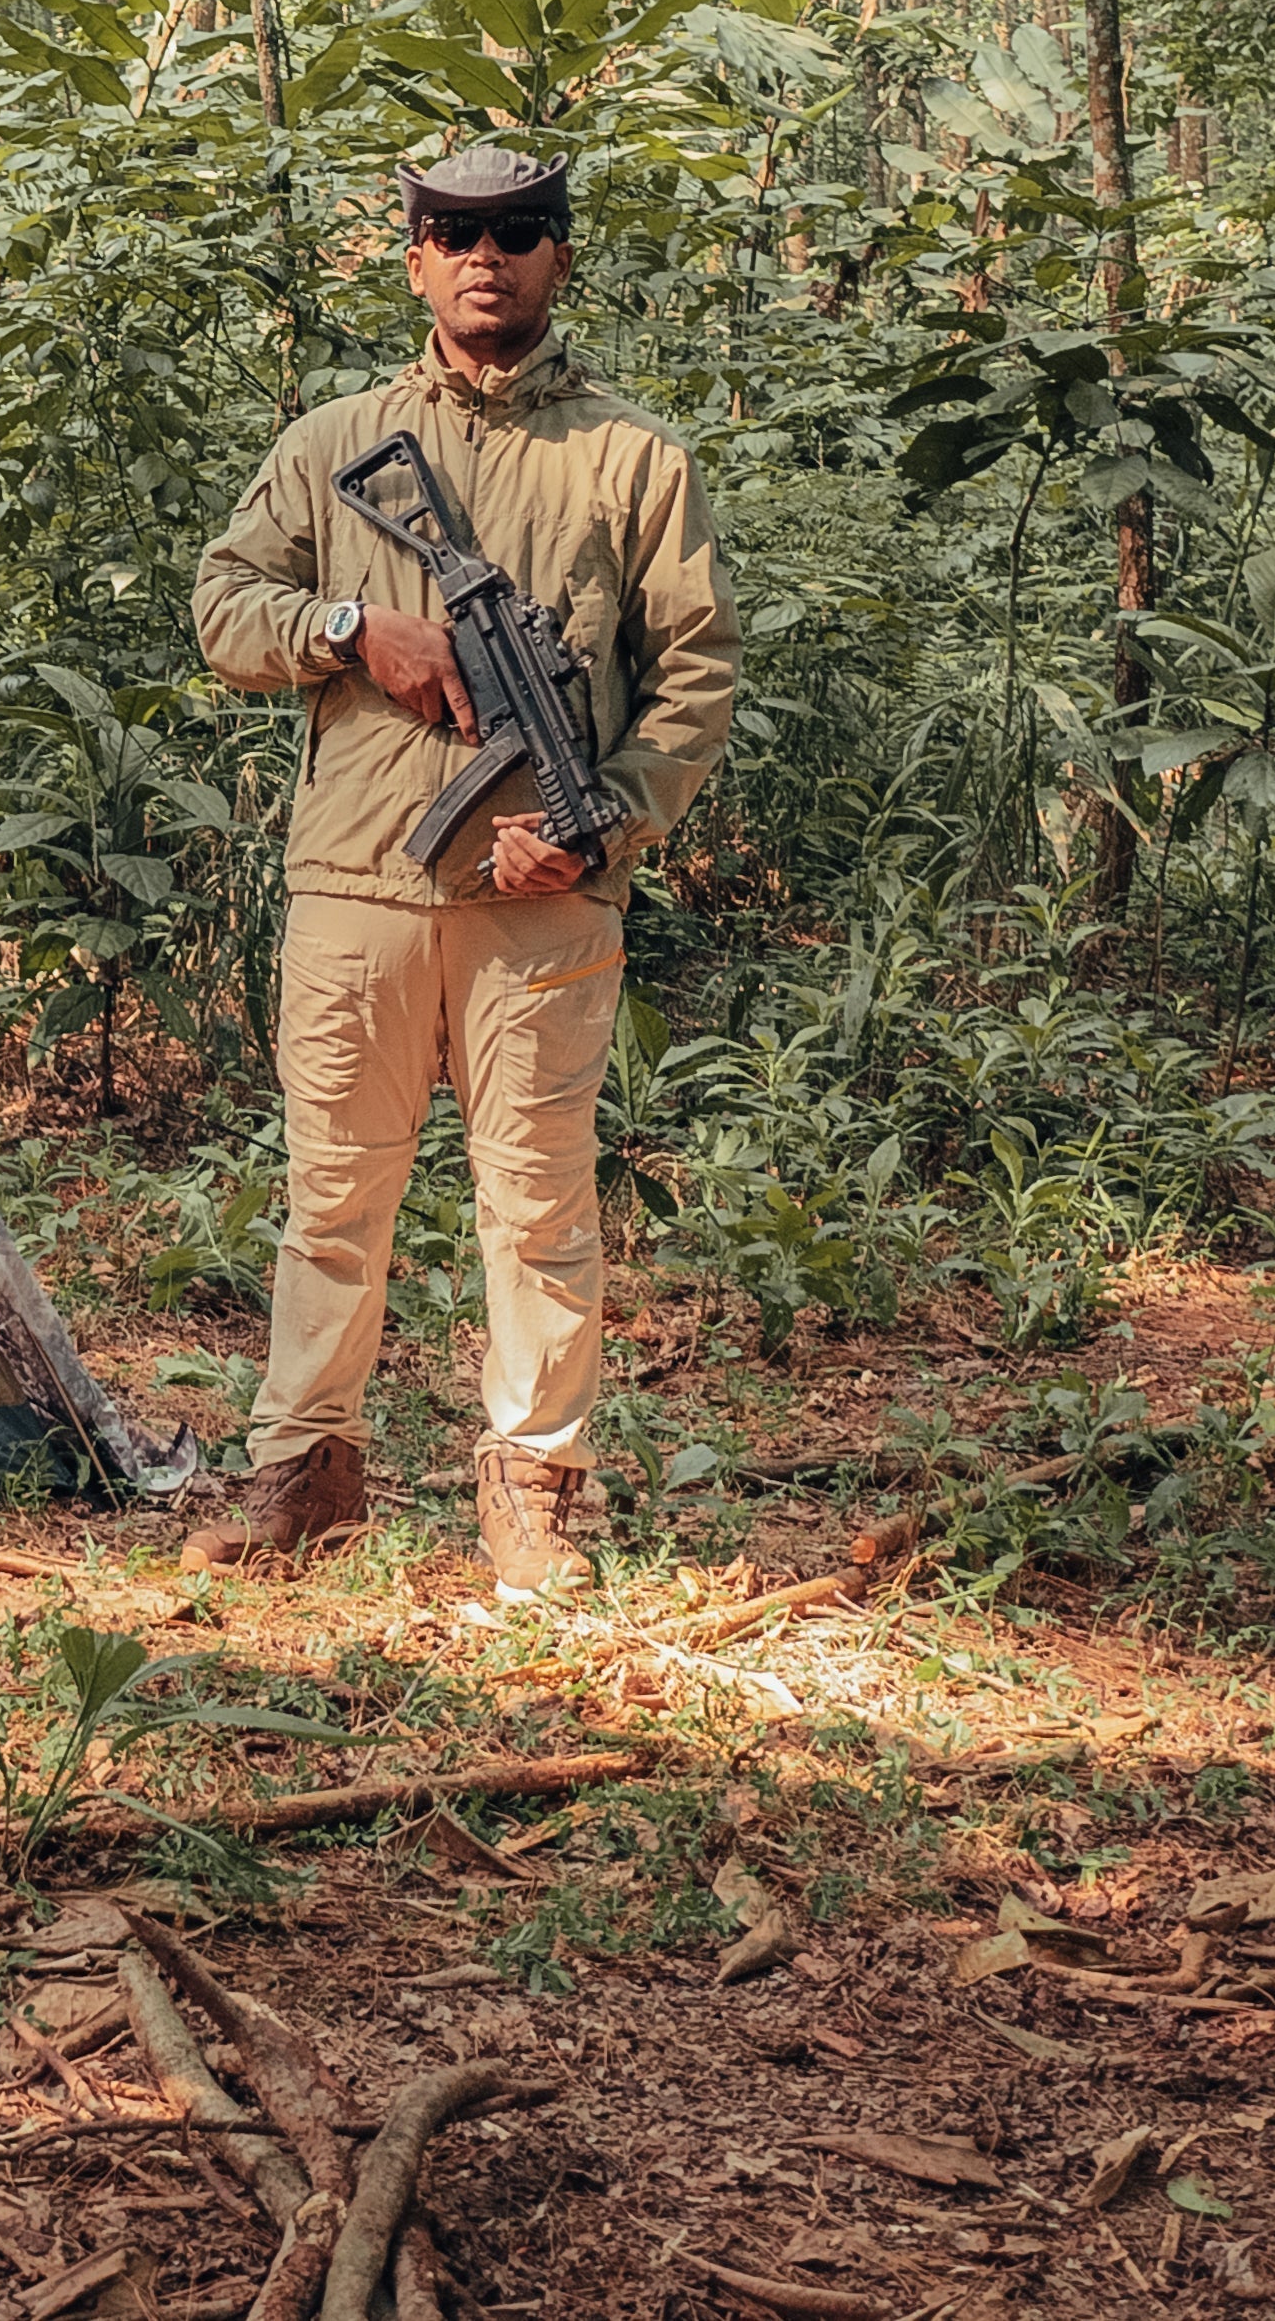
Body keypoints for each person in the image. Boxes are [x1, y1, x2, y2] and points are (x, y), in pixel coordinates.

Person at [180, 143, 739, 1588]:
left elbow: (691, 680)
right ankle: (304, 1471)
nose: (484, 257)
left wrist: (600, 824)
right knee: (331, 1198)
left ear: (560, 256)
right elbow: (224, 609)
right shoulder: (332, 441)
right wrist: (357, 631)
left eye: (517, 232)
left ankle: (536, 1490)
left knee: (539, 1206)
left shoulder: (632, 459)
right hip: (356, 885)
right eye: (453, 233)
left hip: (542, 905)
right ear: (413, 257)